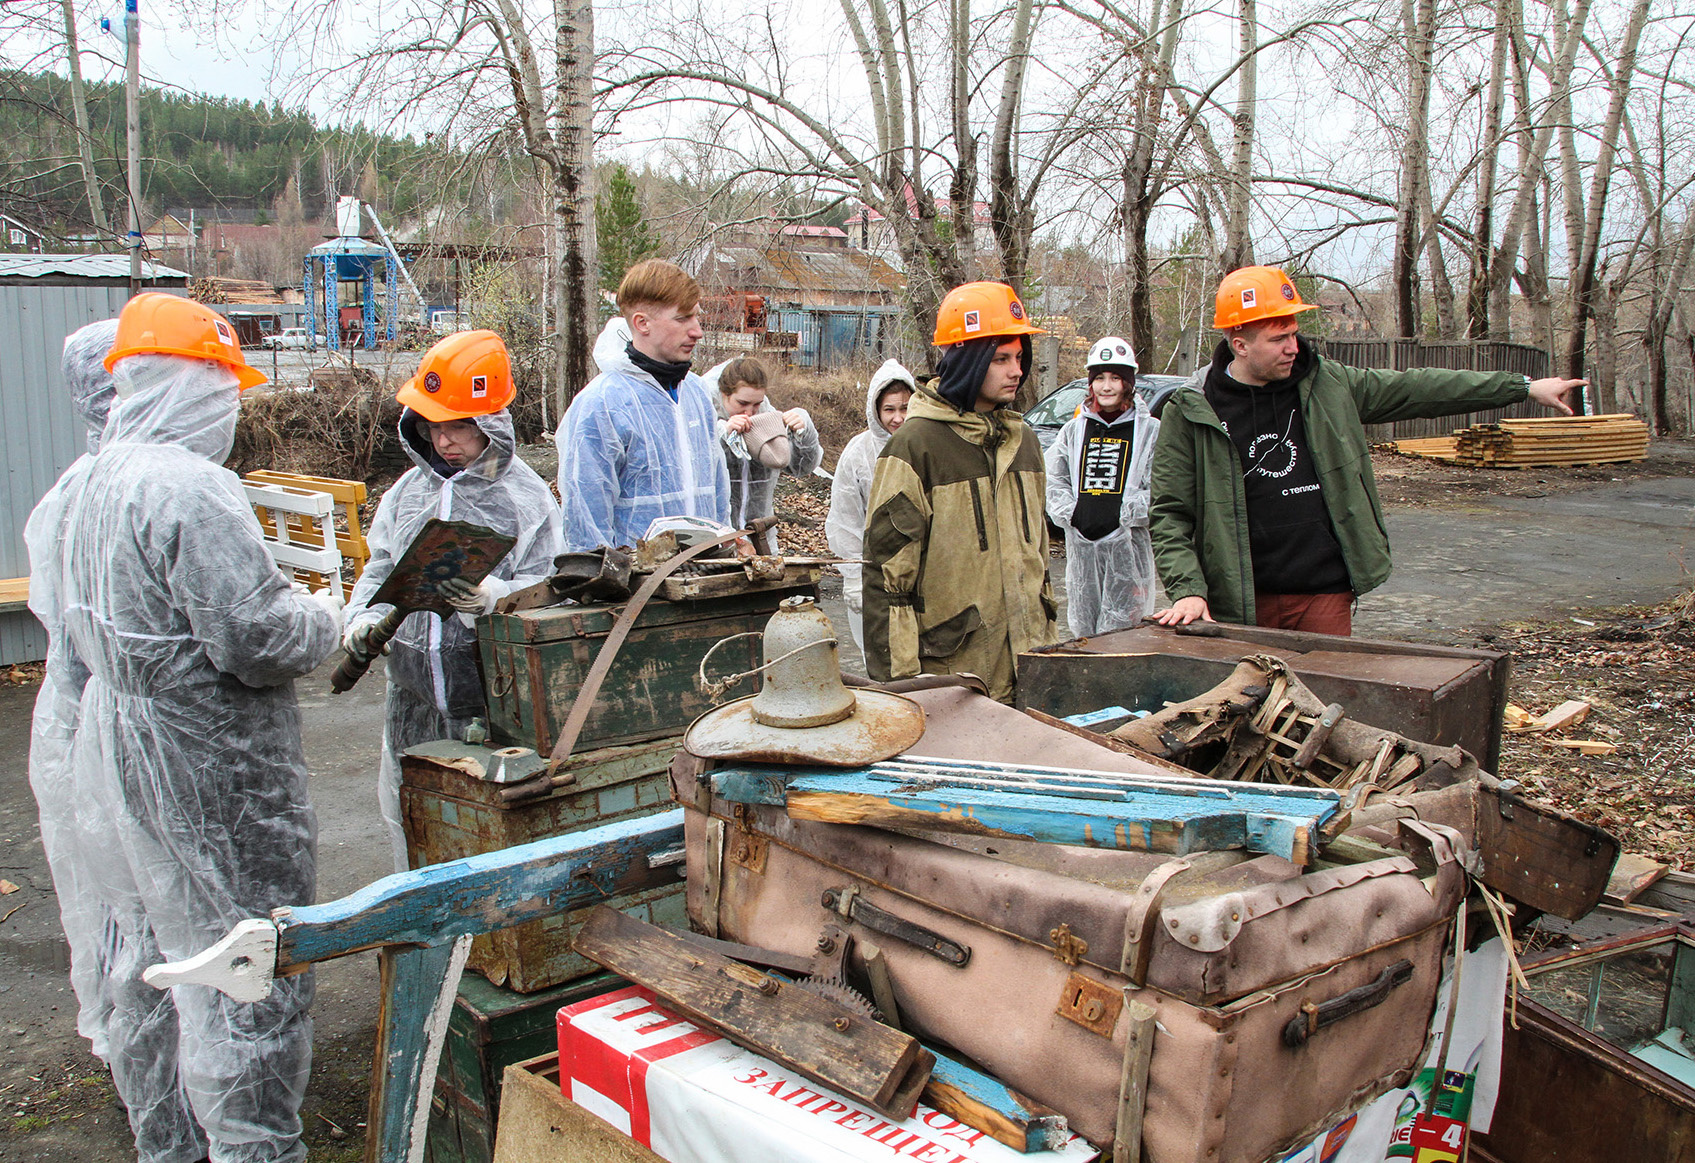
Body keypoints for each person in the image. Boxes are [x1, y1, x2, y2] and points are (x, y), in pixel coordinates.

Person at [32, 292, 344, 1163]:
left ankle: (167, 1144)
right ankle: (253, 1148)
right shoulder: (187, 486)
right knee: (243, 969)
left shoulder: (86, 479)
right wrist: (325, 615)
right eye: (224, 383)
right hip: (211, 768)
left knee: (144, 958)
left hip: (116, 746)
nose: (231, 404)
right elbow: (254, 636)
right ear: (194, 382)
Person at [1151, 265, 1586, 635]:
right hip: (1240, 600)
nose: (1293, 347)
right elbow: (1170, 512)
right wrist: (1188, 587)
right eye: (1278, 337)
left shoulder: (1330, 384)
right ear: (1240, 343)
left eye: (1294, 332)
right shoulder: (1192, 408)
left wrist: (1524, 387)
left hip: (1323, 592)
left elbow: (1420, 389)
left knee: (1322, 710)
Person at [342, 329, 562, 871]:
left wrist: (496, 597)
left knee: (488, 832)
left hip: (492, 700)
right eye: (434, 427)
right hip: (411, 698)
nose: (445, 442)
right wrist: (361, 617)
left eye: (460, 426)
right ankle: (427, 947)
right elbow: (381, 565)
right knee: (410, 820)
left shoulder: (525, 497)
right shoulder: (406, 491)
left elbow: (554, 590)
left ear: (491, 423)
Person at [863, 281, 1058, 703]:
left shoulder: (1024, 442)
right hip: (955, 679)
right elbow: (886, 579)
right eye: (1001, 358)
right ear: (969, 360)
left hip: (1030, 667)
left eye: (1019, 357)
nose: (1016, 371)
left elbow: (1039, 559)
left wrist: (1047, 646)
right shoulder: (916, 446)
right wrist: (899, 692)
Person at [25, 318, 122, 1063]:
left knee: (116, 903)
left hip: (85, 721)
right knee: (122, 903)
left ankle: (140, 1053)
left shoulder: (72, 494)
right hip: (104, 724)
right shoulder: (109, 496)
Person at [555, 259, 730, 551]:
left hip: (702, 579)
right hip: (637, 589)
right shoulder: (603, 403)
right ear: (642, 323)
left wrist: (728, 544)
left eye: (696, 318)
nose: (697, 331)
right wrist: (606, 588)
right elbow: (586, 521)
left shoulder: (696, 394)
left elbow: (718, 490)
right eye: (683, 319)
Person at [1045, 335, 1160, 638]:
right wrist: (1072, 513)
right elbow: (1054, 479)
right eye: (1099, 379)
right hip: (1082, 550)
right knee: (1084, 635)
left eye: (1115, 378)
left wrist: (1124, 513)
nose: (1106, 386)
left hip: (1127, 550)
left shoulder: (1150, 431)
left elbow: (1162, 488)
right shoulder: (1074, 429)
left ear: (1128, 383)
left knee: (1124, 635)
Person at [825, 359, 917, 652]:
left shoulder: (926, 447)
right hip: (873, 572)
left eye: (905, 408)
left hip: (918, 571)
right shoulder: (858, 453)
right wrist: (853, 577)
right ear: (875, 410)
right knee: (878, 657)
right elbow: (845, 518)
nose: (898, 418)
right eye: (889, 409)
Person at [707, 355, 823, 548]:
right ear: (724, 395)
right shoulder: (702, 423)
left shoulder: (765, 423)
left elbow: (799, 467)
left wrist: (804, 432)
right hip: (716, 541)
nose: (749, 412)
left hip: (761, 538)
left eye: (756, 404)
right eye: (742, 404)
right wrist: (722, 432)